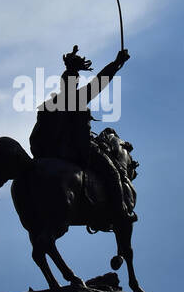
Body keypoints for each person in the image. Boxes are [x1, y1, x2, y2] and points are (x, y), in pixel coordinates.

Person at [29, 45, 136, 223]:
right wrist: (117, 63)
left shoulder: (49, 104)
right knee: (113, 173)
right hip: (77, 151)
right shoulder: (77, 99)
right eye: (76, 81)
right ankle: (121, 214)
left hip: (48, 151)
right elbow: (100, 81)